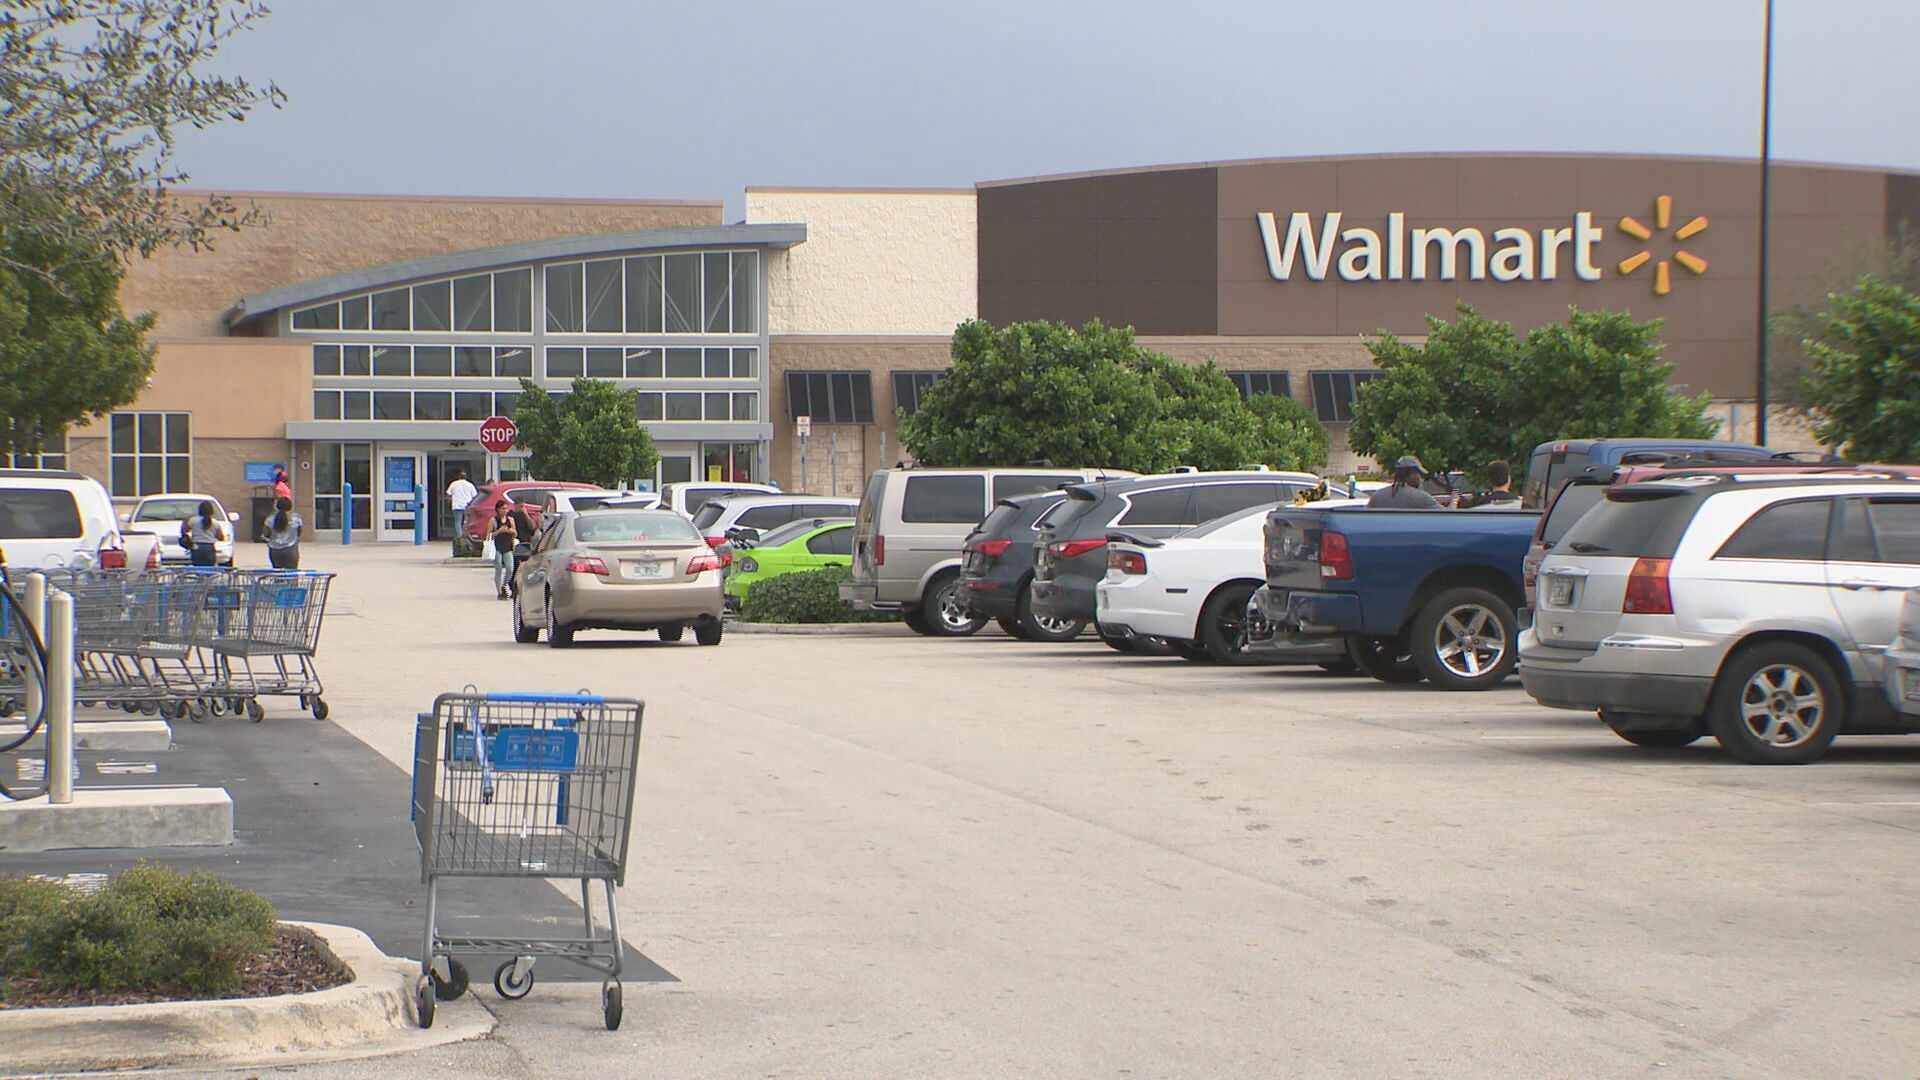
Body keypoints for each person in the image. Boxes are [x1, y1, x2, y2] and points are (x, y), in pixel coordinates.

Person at [1368, 455, 1441, 509]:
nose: (1420, 478)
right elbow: (1445, 517)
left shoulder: (1376, 497)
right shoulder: (1422, 498)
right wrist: (1453, 501)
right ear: (1412, 473)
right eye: (1419, 474)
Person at [261, 496, 305, 569]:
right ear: (290, 506)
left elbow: (266, 534)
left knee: (278, 574)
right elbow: (299, 532)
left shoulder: (270, 518)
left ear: (277, 506)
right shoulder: (296, 518)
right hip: (291, 549)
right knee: (291, 574)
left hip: (275, 549)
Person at [182, 500, 228, 567]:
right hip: (209, 548)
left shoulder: (193, 520)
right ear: (211, 511)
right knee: (209, 569)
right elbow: (221, 537)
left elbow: (185, 530)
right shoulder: (215, 523)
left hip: (196, 547)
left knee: (197, 567)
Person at [489, 502, 519, 599]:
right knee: (498, 570)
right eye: (502, 508)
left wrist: (511, 531)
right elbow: (488, 536)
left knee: (510, 569)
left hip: (508, 547)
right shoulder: (493, 520)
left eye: (506, 508)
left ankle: (504, 585)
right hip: (497, 547)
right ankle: (499, 592)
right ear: (497, 509)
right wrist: (499, 531)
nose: (505, 510)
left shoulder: (510, 519)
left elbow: (515, 533)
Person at [446, 470, 478, 555]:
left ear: (459, 477)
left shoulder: (454, 484)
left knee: (457, 522)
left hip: (457, 505)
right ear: (466, 477)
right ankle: (466, 536)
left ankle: (459, 538)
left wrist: (450, 503)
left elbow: (448, 495)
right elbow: (475, 496)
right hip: (466, 506)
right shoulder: (470, 485)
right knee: (466, 522)